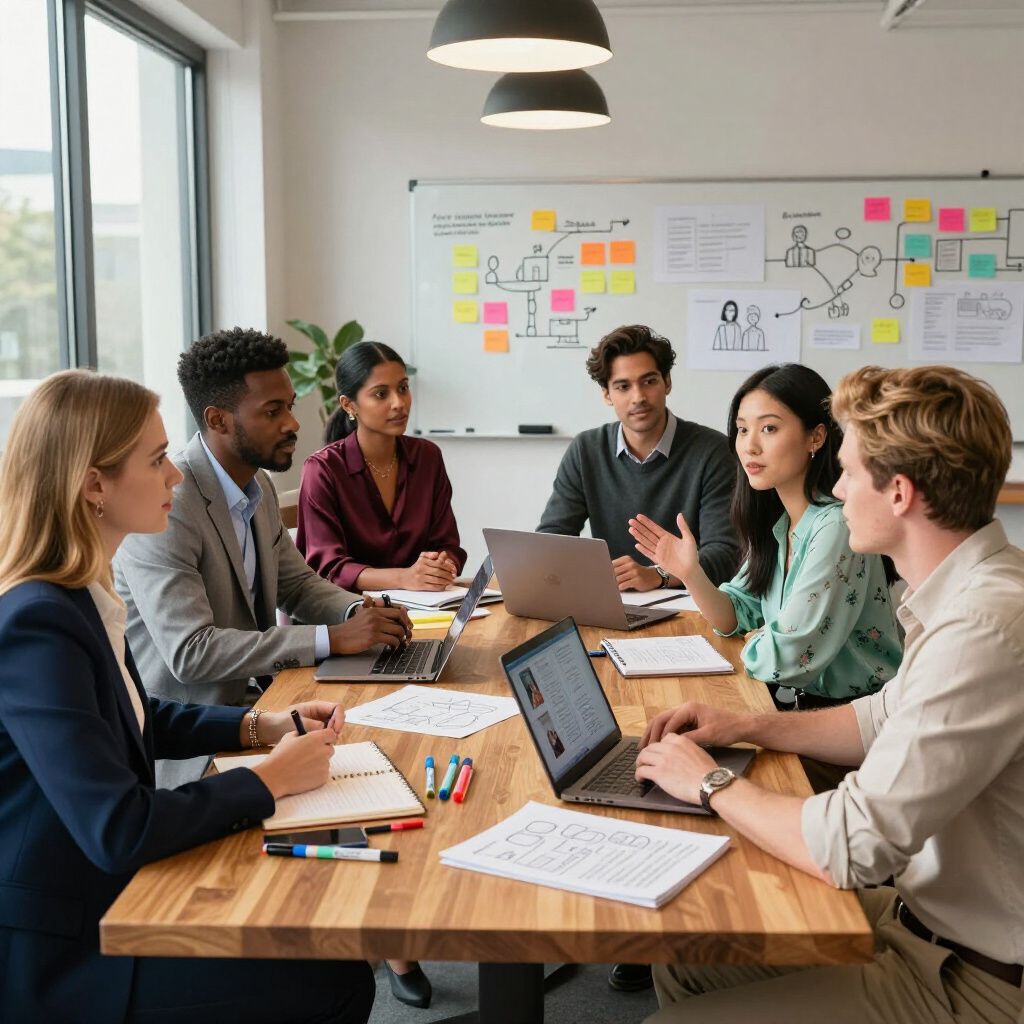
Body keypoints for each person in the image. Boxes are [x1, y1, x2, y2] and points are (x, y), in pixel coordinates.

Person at [634, 365, 1023, 1024]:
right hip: (918, 918)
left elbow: (852, 844)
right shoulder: (967, 591)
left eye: (846, 472)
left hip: (975, 976)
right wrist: (745, 727)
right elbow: (880, 715)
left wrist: (709, 783)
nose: (837, 489)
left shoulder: (985, 625)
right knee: (689, 954)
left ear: (898, 493)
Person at [0, 370, 374, 1024]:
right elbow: (119, 828)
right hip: (62, 946)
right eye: (155, 460)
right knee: (329, 979)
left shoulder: (83, 593)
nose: (175, 475)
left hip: (108, 896)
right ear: (94, 485)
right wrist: (269, 779)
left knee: (326, 949)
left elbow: (145, 719)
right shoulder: (38, 623)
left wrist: (264, 726)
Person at [114, 328, 411, 790]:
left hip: (262, 712)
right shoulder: (169, 505)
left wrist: (360, 613)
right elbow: (191, 654)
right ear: (218, 419)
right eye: (273, 411)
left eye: (289, 405)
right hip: (192, 750)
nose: (292, 423)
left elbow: (297, 584)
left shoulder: (258, 487)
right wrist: (333, 638)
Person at [631, 364, 902, 713]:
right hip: (795, 709)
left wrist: (763, 640)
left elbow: (785, 658)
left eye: (769, 428)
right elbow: (733, 617)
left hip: (854, 723)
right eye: (742, 430)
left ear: (815, 437)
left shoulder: (835, 525)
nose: (750, 445)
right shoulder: (780, 523)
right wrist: (690, 573)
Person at [537, 324, 740, 591]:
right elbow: (553, 539)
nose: (639, 397)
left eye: (649, 381)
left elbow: (726, 553)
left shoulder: (713, 451)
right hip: (612, 600)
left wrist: (658, 575)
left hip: (692, 607)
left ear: (667, 382)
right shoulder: (586, 449)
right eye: (623, 386)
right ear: (607, 394)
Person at [297, 341, 467, 593]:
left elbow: (446, 544)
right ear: (348, 404)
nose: (399, 403)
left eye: (403, 388)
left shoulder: (427, 456)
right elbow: (329, 568)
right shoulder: (323, 469)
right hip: (351, 614)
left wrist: (441, 566)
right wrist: (404, 578)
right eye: (381, 394)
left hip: (426, 607)